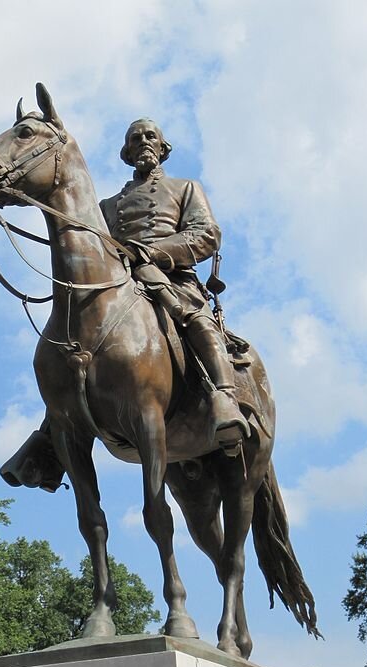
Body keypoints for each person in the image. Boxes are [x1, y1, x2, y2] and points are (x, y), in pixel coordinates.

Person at [100, 118, 250, 447]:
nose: (143, 142)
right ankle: (52, 435)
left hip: (172, 277)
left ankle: (225, 399)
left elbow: (207, 234)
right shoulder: (107, 206)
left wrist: (153, 253)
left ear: (162, 147)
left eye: (150, 136)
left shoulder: (185, 188)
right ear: (126, 152)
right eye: (135, 138)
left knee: (197, 321)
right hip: (120, 283)